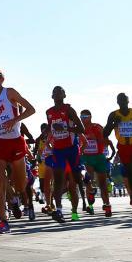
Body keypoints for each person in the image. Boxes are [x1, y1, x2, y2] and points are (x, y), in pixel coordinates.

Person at [0, 67, 36, 233]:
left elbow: (31, 109)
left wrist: (14, 120)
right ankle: (3, 220)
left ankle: (16, 197)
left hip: (15, 142)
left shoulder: (9, 93)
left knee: (21, 184)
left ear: (2, 78)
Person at [104, 93, 132, 217]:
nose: (123, 101)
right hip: (123, 147)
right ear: (117, 102)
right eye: (120, 100)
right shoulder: (113, 115)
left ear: (128, 100)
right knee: (130, 173)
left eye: (125, 99)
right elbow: (105, 133)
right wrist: (114, 123)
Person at [45, 86, 86, 222]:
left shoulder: (69, 109)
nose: (57, 94)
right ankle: (59, 210)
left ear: (64, 95)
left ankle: (86, 183)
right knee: (58, 181)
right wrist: (45, 137)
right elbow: (51, 128)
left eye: (60, 92)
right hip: (58, 149)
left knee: (76, 180)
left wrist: (65, 128)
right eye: (54, 92)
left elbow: (81, 128)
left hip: (72, 148)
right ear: (52, 96)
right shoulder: (49, 112)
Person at [80, 109, 115, 217]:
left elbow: (105, 141)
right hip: (87, 157)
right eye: (82, 117)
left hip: (99, 157)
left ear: (90, 117)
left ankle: (107, 205)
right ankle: (90, 202)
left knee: (103, 184)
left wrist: (97, 138)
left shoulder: (97, 127)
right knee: (87, 178)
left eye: (86, 116)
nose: (83, 119)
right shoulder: (79, 129)